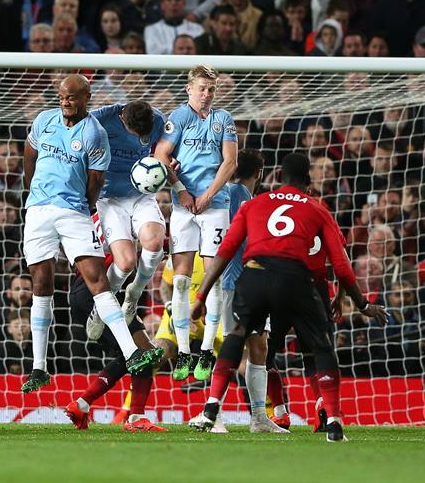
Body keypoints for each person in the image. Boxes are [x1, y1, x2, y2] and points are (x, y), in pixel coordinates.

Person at [190, 153, 386, 442]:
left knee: (239, 334)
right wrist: (362, 303)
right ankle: (333, 422)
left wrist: (201, 294)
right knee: (320, 345)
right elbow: (342, 265)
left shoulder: (253, 204)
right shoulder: (317, 209)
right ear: (308, 180)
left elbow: (227, 249)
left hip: (254, 277)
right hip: (295, 281)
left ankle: (212, 405)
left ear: (278, 177)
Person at [21, 74, 163, 393]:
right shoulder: (44, 120)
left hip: (74, 212)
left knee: (97, 279)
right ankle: (39, 367)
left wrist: (82, 207)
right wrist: (33, 192)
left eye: (71, 97)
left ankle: (132, 351)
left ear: (87, 97)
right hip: (39, 211)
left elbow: (95, 182)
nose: (65, 102)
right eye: (61, 97)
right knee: (41, 284)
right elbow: (30, 155)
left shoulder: (96, 133)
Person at [186, 148, 286, 434]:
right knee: (235, 348)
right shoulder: (240, 196)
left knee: (258, 346)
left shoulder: (227, 195)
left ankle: (258, 418)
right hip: (236, 283)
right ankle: (213, 414)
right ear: (260, 172)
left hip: (240, 282)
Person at [153, 64, 238, 381]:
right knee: (181, 281)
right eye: (201, 88)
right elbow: (161, 154)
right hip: (183, 207)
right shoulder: (178, 118)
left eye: (211, 89)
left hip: (214, 207)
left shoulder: (223, 120)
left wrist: (205, 197)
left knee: (211, 278)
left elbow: (230, 162)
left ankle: (205, 351)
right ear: (189, 89)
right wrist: (181, 190)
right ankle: (185, 353)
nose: (206, 94)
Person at [83, 101, 166, 339]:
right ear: (122, 119)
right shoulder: (99, 119)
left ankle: (134, 294)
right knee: (126, 262)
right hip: (108, 199)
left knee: (153, 243)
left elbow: (168, 148)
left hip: (142, 193)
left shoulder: (157, 120)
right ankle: (100, 309)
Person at [64, 260, 165, 432]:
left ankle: (81, 405)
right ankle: (136, 418)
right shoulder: (123, 236)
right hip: (99, 292)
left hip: (93, 291)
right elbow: (134, 254)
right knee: (142, 353)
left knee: (136, 354)